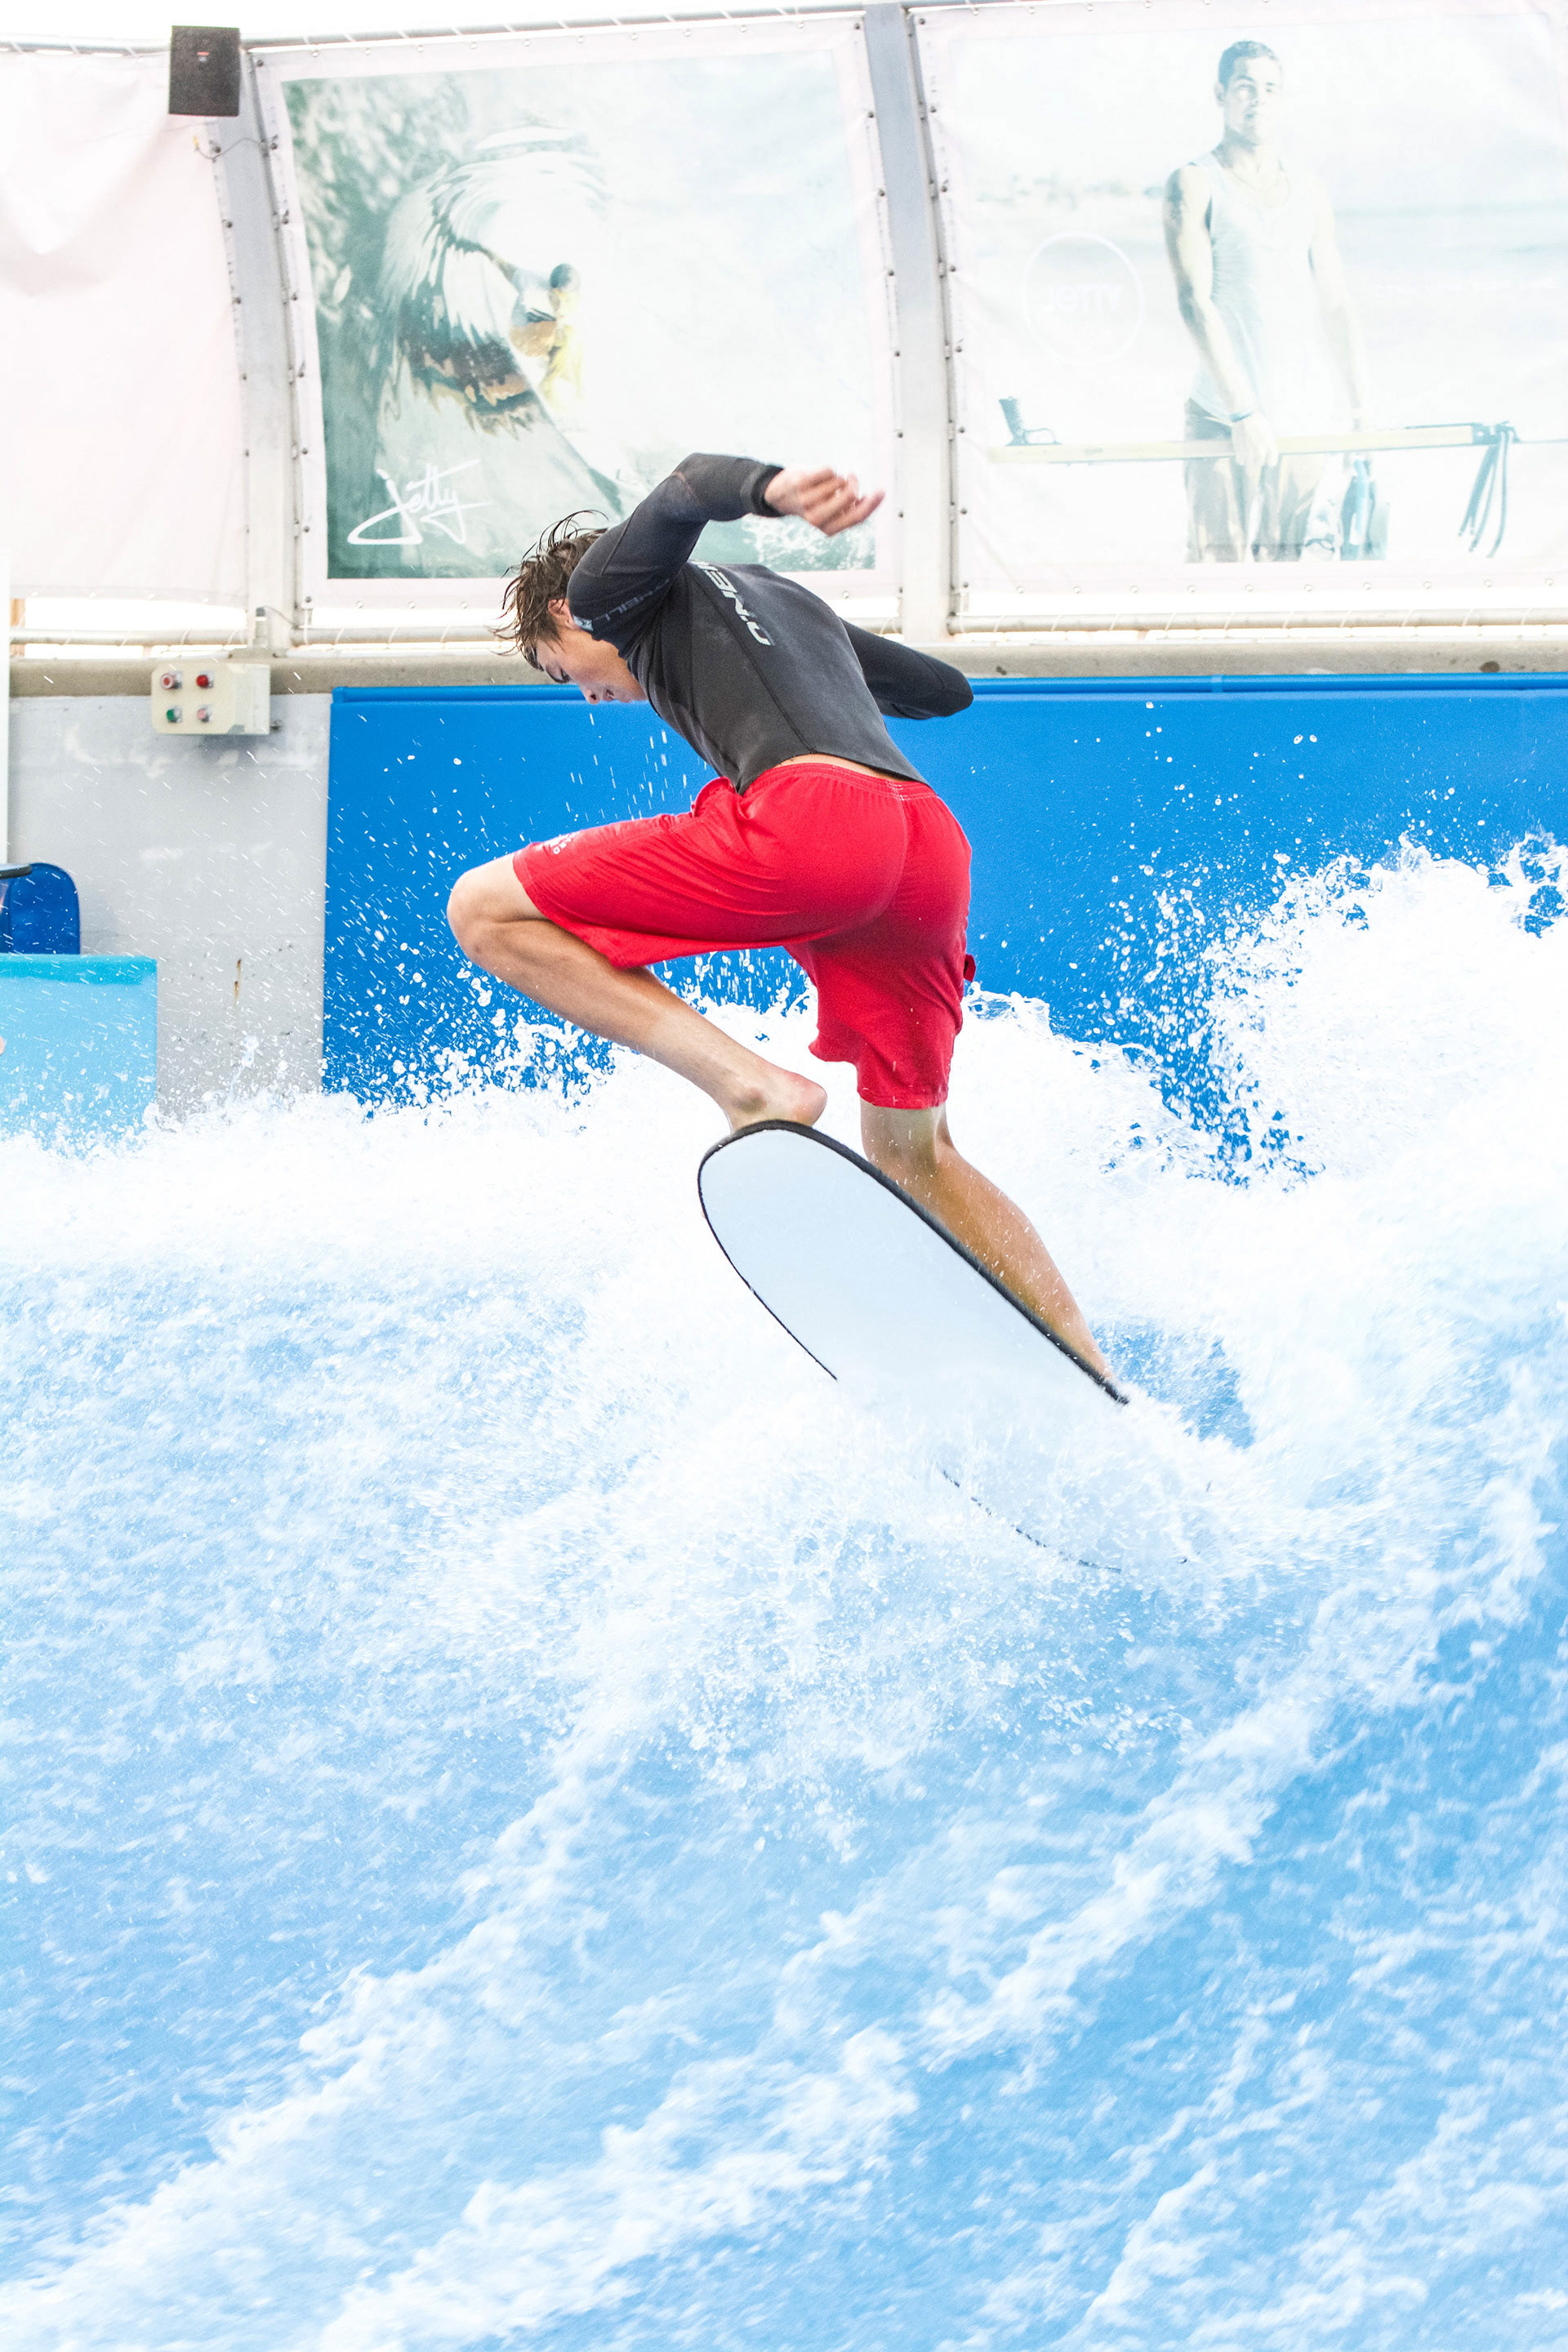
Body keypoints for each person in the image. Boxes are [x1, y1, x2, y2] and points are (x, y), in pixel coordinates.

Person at [446, 453, 1109, 1374]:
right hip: (926, 848)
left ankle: (751, 1089)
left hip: (815, 828)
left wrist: (772, 491)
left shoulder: (602, 595)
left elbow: (686, 487)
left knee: (482, 911)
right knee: (913, 1152)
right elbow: (944, 692)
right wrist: (811, 655)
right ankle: (1085, 1364)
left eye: (563, 672)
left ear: (568, 611)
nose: (586, 695)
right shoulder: (789, 603)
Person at [1163, 39, 1367, 562]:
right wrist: (1243, 412)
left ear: (1283, 98)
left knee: (1290, 571)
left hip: (1302, 415)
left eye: (1270, 88)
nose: (1258, 99)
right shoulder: (1194, 182)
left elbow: (1336, 304)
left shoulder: (1309, 190)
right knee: (1215, 570)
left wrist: (1359, 406)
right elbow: (1193, 302)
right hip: (1220, 412)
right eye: (1245, 87)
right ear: (1220, 94)